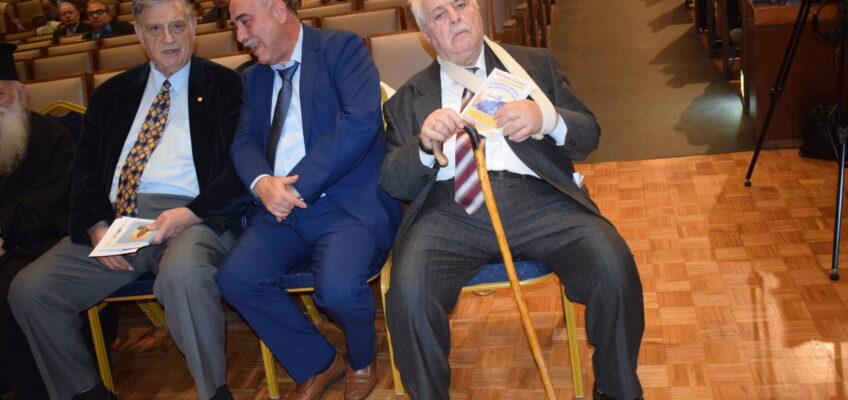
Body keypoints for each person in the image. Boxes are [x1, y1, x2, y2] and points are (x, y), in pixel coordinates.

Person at [379, 0, 645, 399]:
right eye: (439, 14)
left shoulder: (534, 64)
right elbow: (394, 182)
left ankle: (617, 389)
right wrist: (423, 145)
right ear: (426, 35)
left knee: (612, 261)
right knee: (409, 291)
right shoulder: (407, 99)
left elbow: (588, 133)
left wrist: (547, 119)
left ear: (478, 10)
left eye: (461, 4)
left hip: (540, 200)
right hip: (449, 213)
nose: (454, 18)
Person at [8, 0, 248, 398]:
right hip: (117, 220)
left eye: (177, 26)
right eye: (155, 29)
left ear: (194, 28)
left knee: (184, 275)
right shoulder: (112, 94)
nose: (168, 38)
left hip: (193, 215)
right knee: (31, 290)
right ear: (138, 34)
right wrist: (95, 225)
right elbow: (84, 170)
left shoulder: (227, 86)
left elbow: (243, 167)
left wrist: (191, 213)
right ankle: (86, 393)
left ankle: (214, 393)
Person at [217, 0, 401, 398]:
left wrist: (295, 188)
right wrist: (262, 183)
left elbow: (359, 124)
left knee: (337, 290)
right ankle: (319, 361)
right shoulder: (253, 78)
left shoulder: (342, 49)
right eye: (235, 25)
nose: (240, 36)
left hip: (344, 202)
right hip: (279, 208)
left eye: (245, 21)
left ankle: (361, 357)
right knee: (236, 280)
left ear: (277, 9)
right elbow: (243, 141)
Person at [0, 43, 74, 400]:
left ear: (20, 93)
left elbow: (55, 202)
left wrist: (3, 230)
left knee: (10, 286)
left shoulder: (51, 137)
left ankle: (37, 388)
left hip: (38, 244)